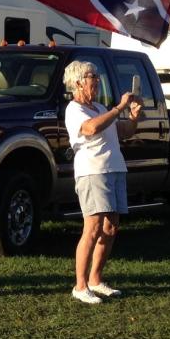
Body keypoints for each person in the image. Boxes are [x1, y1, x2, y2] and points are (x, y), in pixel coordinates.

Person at [63, 60, 141, 304]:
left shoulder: (98, 106)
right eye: (91, 77)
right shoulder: (74, 109)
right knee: (93, 227)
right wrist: (118, 108)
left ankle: (96, 280)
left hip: (114, 168)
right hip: (93, 171)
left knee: (111, 227)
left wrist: (134, 117)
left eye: (96, 77)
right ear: (77, 82)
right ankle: (80, 285)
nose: (96, 81)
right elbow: (90, 129)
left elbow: (124, 132)